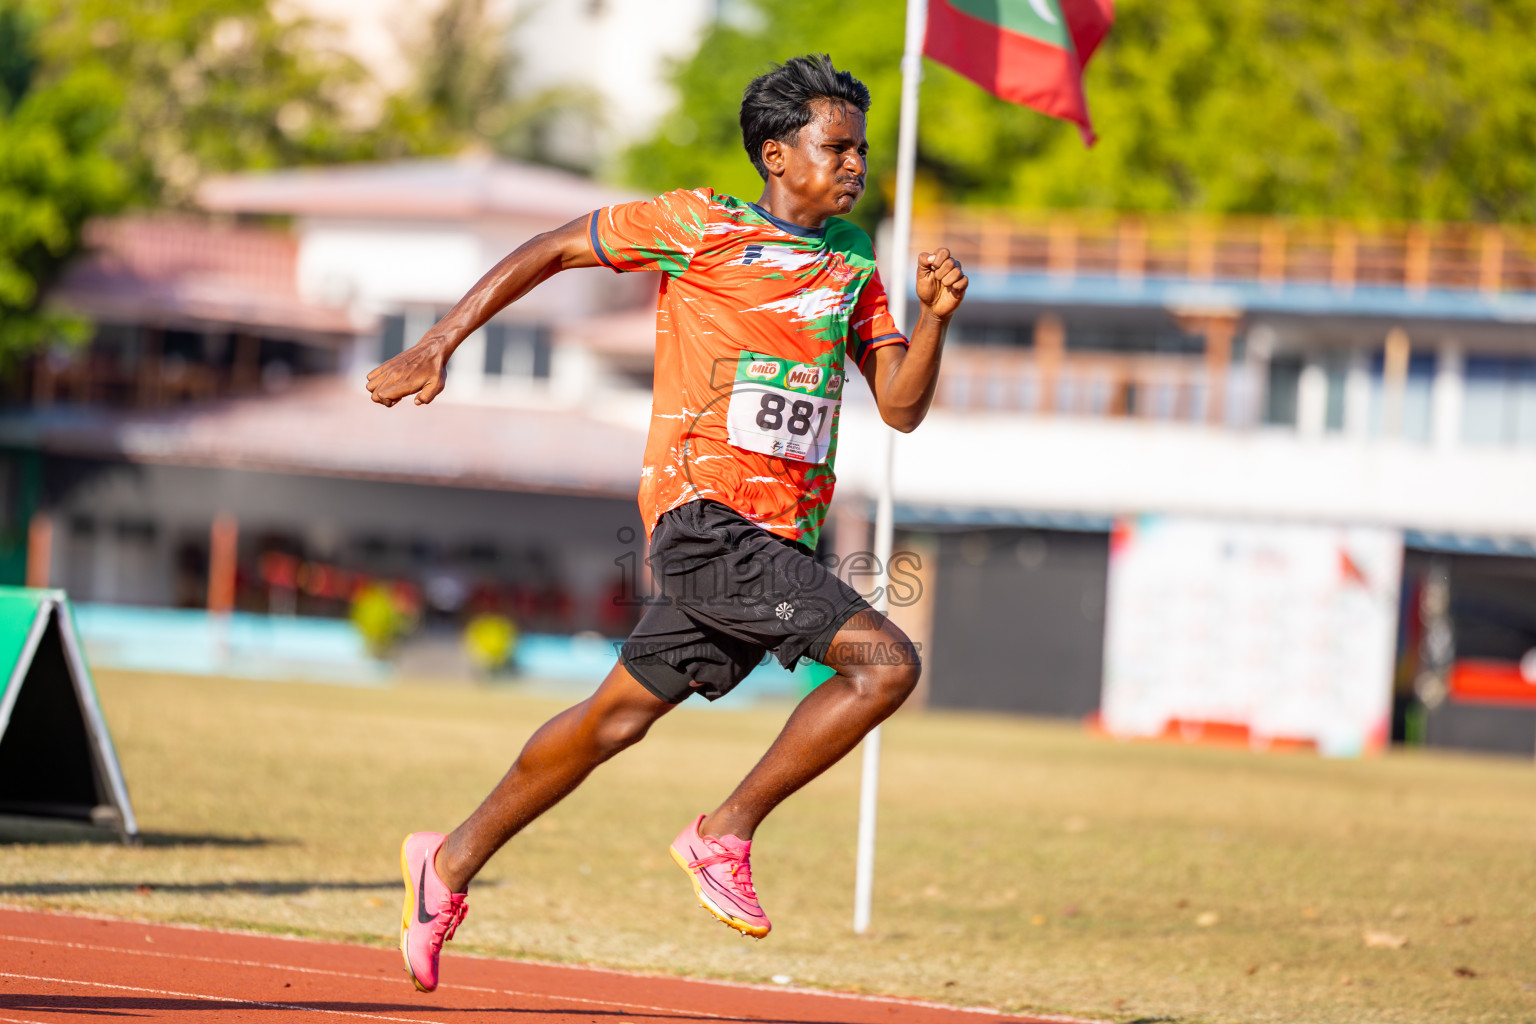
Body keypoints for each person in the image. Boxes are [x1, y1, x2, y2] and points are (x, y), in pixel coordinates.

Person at [367, 53, 967, 994]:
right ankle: (722, 834)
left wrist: (933, 319)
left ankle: (442, 867)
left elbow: (898, 404)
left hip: (778, 539)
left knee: (612, 721)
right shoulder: (701, 225)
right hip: (701, 519)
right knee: (885, 663)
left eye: (861, 148)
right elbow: (554, 247)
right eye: (836, 146)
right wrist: (439, 342)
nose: (856, 163)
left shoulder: (854, 259)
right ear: (776, 154)